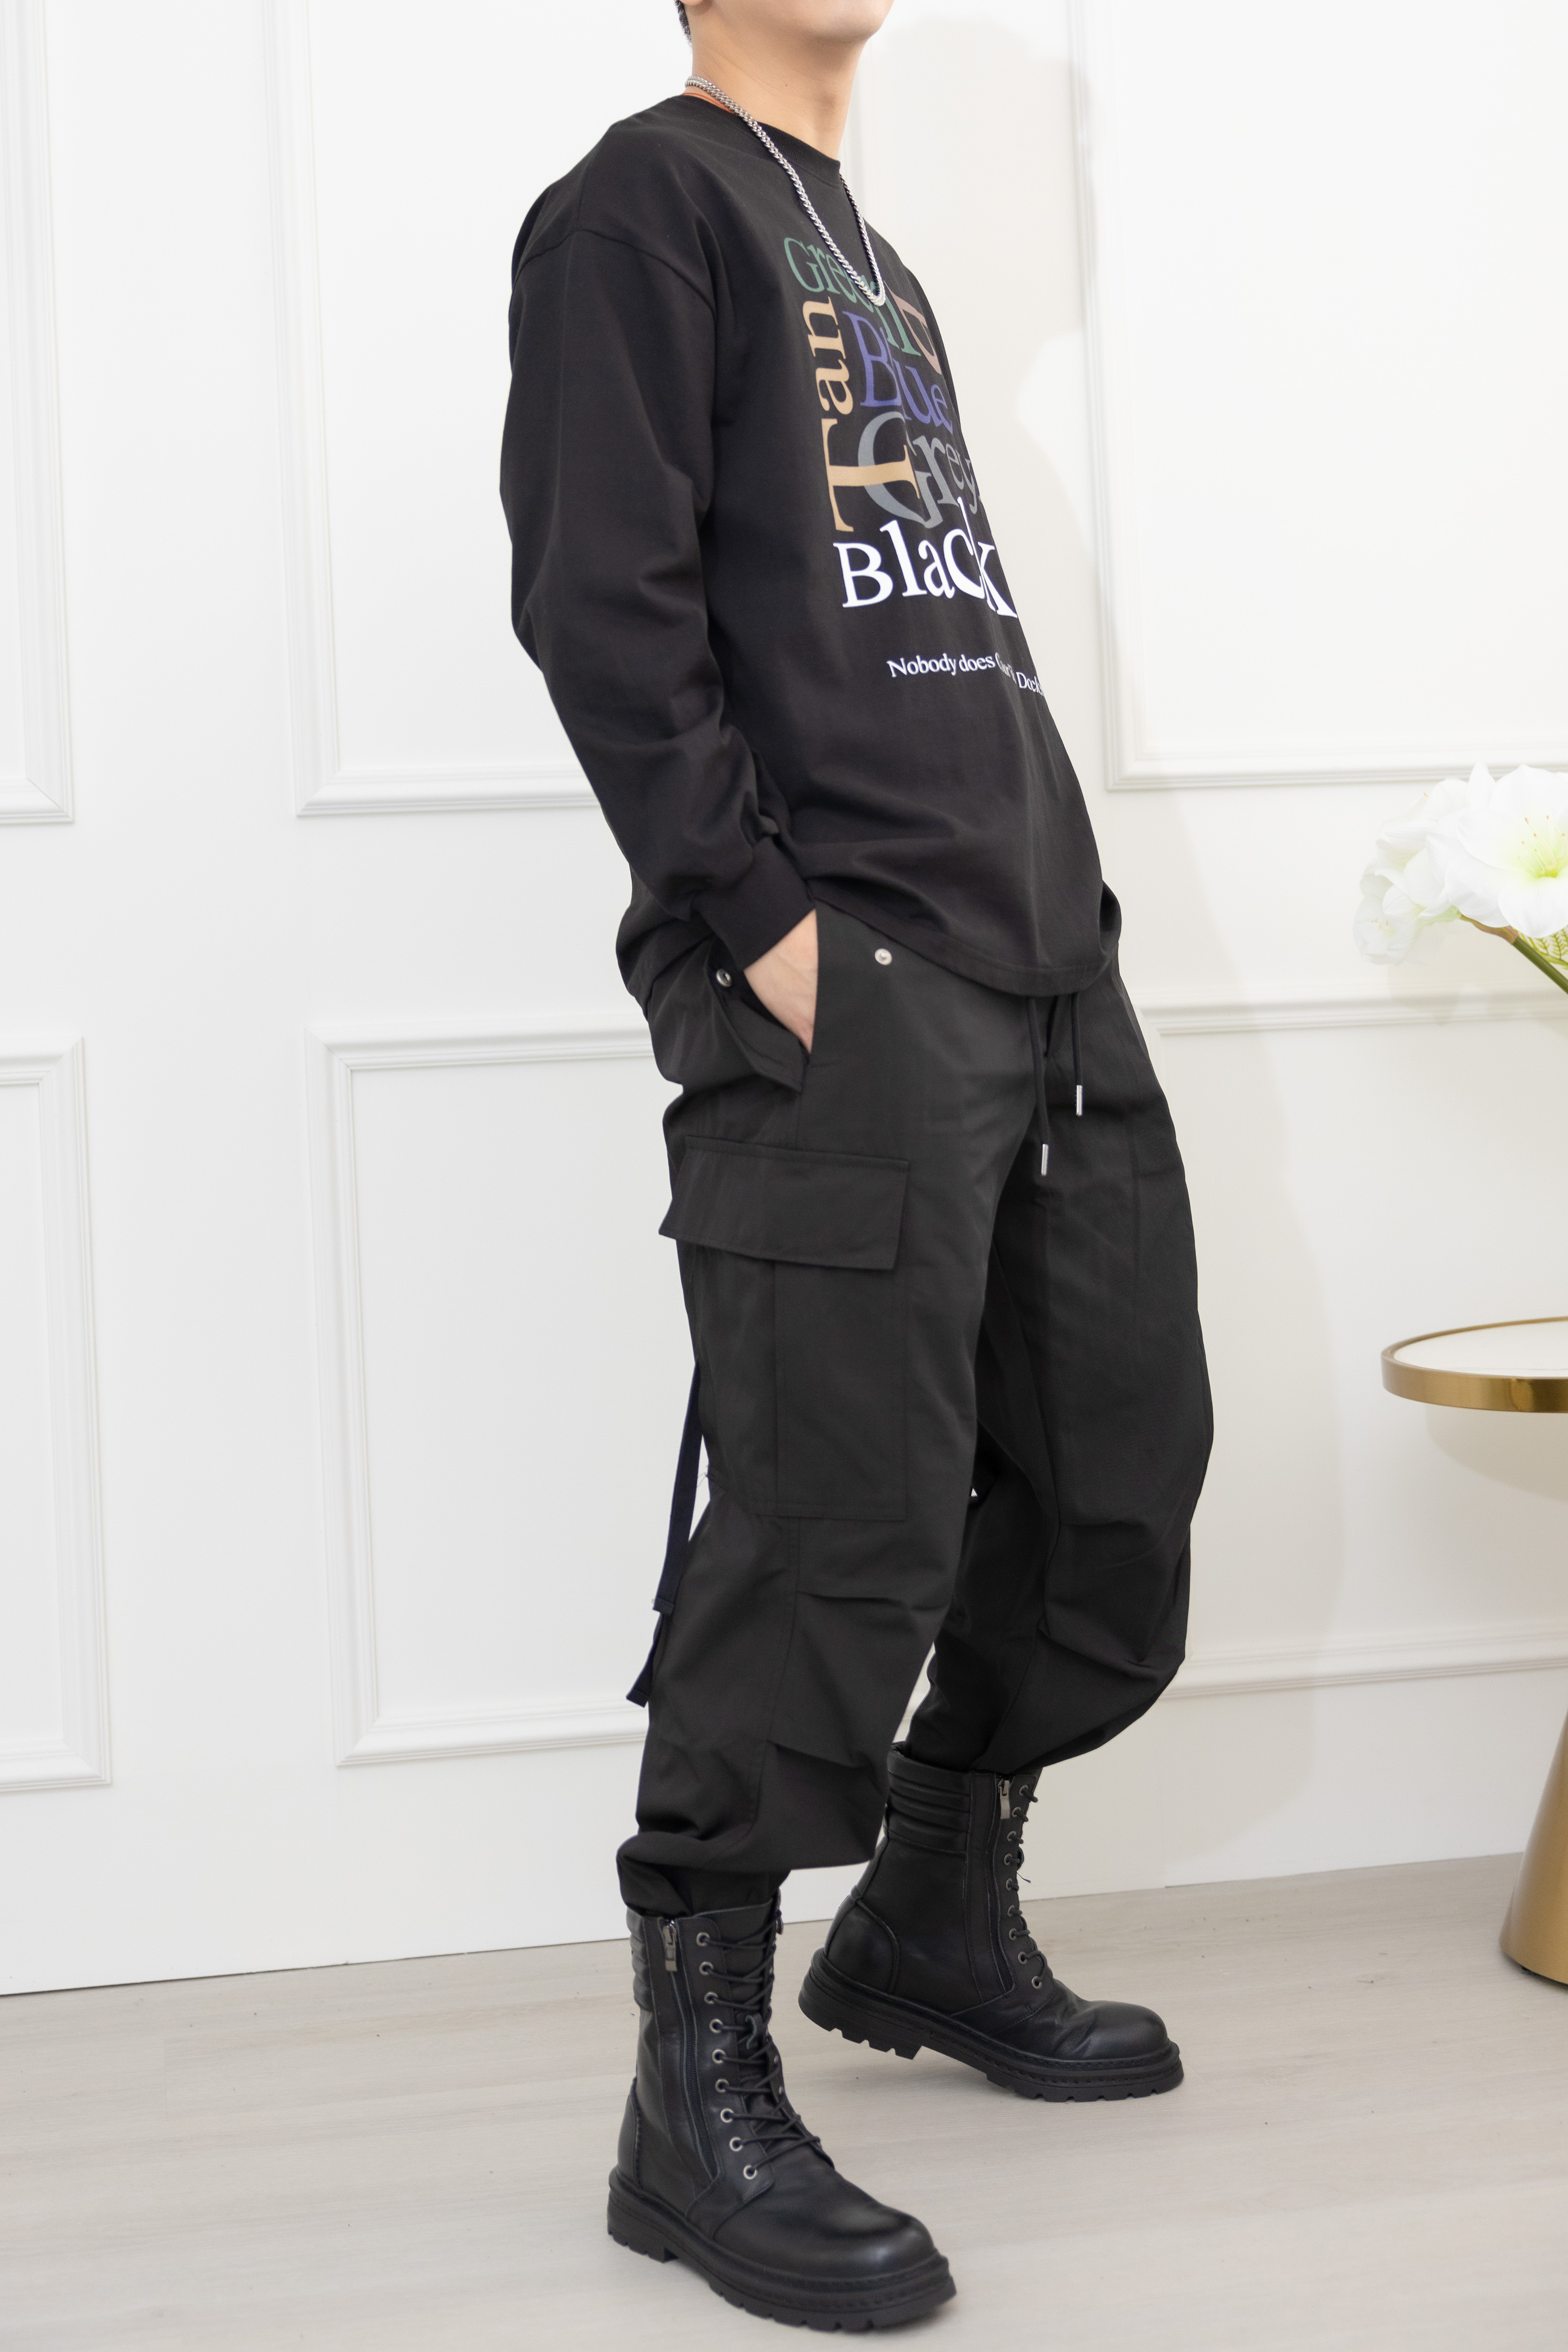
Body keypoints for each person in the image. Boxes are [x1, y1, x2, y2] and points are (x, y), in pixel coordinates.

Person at [501, 0, 1212, 2327]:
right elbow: (599, 604)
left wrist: (1063, 918)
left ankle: (933, 1911)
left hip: (1038, 967)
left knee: (1110, 1480)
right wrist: (765, 927)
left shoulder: (869, 256)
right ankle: (689, 2096)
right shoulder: (644, 202)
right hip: (853, 979)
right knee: (835, 1523)